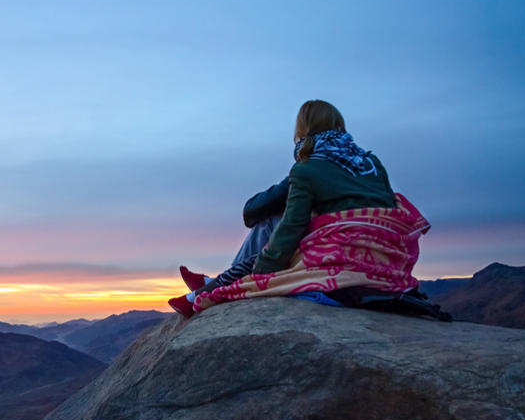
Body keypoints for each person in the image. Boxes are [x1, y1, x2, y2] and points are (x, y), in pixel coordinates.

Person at [170, 99, 427, 318]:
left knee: (270, 233)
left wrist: (263, 269)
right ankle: (211, 284)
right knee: (279, 231)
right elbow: (379, 205)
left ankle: (214, 289)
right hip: (389, 253)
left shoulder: (308, 169)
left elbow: (293, 225)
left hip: (342, 250)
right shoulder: (372, 162)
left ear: (303, 129)